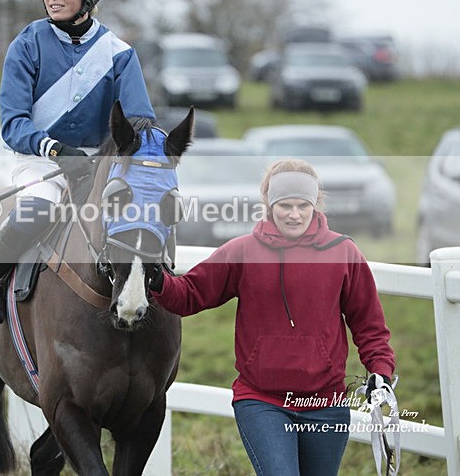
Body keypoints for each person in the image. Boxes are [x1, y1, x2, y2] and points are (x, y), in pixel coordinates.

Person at [149, 158, 396, 476]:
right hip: (262, 401)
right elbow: (188, 295)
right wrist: (157, 279)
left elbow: (369, 325)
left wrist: (380, 371)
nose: (294, 215)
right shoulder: (241, 252)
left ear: (315, 204)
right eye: (285, 206)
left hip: (326, 403)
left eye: (302, 206)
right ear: (269, 204)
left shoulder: (343, 253)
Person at [0, 0, 155, 324]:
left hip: (100, 163)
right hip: (41, 158)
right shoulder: (26, 44)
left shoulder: (120, 54)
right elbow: (13, 124)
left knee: (142, 214)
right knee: (39, 207)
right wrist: (57, 150)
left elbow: (139, 121)